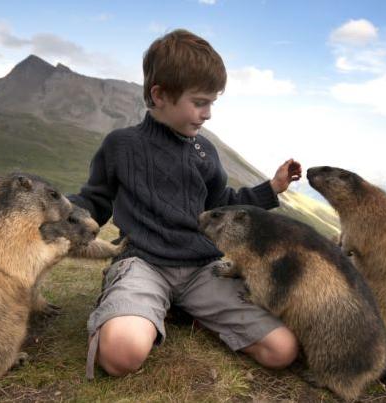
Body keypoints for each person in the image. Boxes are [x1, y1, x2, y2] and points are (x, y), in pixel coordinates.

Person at [68, 29, 302, 378]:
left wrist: (272, 188)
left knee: (282, 351)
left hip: (202, 270)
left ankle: (186, 310)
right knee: (121, 355)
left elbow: (223, 205)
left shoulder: (205, 151)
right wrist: (57, 213)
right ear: (159, 94)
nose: (207, 114)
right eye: (200, 102)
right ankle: (136, 305)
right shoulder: (120, 145)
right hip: (143, 263)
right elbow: (94, 201)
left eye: (212, 103)